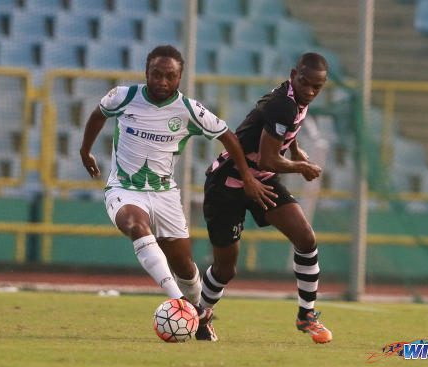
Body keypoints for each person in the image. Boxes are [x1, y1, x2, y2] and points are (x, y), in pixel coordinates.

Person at [79, 45, 276, 340]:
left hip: (165, 195)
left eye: (169, 76)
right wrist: (85, 151)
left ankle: (199, 312)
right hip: (124, 188)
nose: (161, 81)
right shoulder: (124, 97)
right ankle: (183, 305)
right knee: (136, 226)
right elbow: (98, 115)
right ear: (147, 72)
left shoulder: (189, 110)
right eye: (156, 74)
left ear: (179, 77)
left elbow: (228, 136)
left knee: (185, 268)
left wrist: (247, 176)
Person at [199, 52, 332, 343]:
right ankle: (201, 315)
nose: (310, 92)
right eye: (305, 83)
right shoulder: (282, 103)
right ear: (293, 73)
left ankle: (306, 315)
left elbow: (282, 131)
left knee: (306, 238)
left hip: (261, 180)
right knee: (226, 268)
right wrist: (301, 166)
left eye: (317, 88)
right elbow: (271, 159)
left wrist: (295, 149)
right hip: (228, 183)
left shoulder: (293, 98)